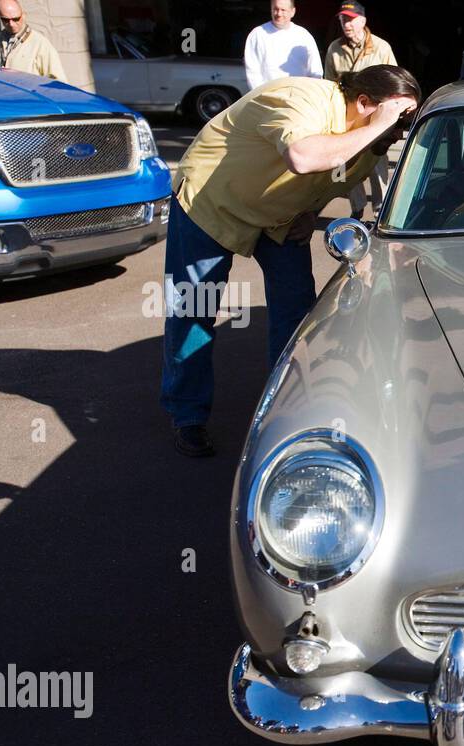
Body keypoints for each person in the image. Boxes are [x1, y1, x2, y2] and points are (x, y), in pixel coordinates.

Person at [160, 65, 420, 457]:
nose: (399, 129)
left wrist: (310, 212)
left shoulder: (368, 147)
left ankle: (285, 410)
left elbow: (326, 180)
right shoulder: (301, 100)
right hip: (211, 203)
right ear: (364, 103)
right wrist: (375, 127)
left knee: (296, 312)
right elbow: (301, 156)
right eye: (396, 116)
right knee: (195, 312)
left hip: (277, 217)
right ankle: (187, 415)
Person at [324, 2, 397, 222]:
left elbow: (395, 82)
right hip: (348, 117)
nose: (347, 24)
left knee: (377, 167)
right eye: (343, 19)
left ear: (363, 21)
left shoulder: (381, 47)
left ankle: (381, 212)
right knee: (347, 165)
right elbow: (328, 83)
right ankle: (357, 208)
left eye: (351, 19)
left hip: (375, 117)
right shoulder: (334, 49)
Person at [244, 0, 322, 89]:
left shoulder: (304, 35)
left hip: (298, 96)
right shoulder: (257, 34)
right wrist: (260, 96)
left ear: (293, 12)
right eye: (275, 9)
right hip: (267, 97)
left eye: (283, 10)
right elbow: (253, 72)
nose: (279, 14)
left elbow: (315, 70)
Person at [0, 0, 65, 80]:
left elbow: (58, 83)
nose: (11, 24)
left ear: (23, 15)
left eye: (16, 19)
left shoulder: (40, 44)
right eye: (5, 20)